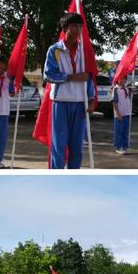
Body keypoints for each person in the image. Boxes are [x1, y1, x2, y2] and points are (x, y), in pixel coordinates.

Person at [43, 12, 96, 169]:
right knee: (59, 147)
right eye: (74, 26)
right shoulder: (55, 50)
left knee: (77, 148)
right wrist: (71, 77)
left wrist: (92, 99)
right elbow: (48, 76)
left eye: (80, 26)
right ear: (65, 28)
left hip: (80, 103)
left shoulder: (84, 51)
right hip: (61, 103)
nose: (78, 29)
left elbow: (89, 76)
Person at [112, 76, 133, 154]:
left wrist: (131, 92)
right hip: (119, 114)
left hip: (127, 113)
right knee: (119, 131)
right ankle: (118, 147)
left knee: (125, 131)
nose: (122, 80)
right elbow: (114, 102)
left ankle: (125, 146)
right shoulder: (116, 89)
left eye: (124, 79)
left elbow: (127, 98)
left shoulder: (127, 89)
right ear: (117, 79)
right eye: (121, 78)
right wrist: (118, 113)